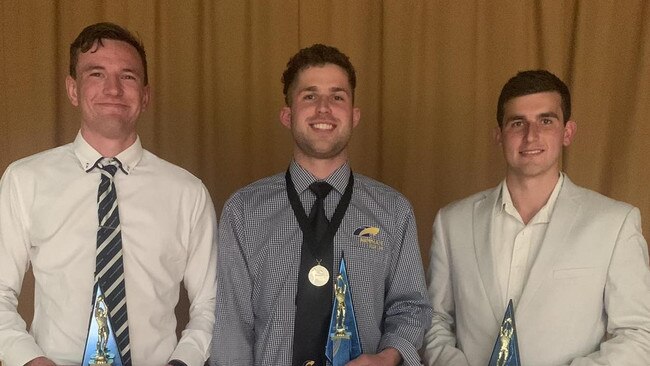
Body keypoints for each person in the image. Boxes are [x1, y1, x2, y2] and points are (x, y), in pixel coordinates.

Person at [0, 22, 217, 366]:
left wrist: (184, 361)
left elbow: (212, 302)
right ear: (73, 90)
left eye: (128, 76)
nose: (113, 89)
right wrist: (29, 360)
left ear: (145, 95)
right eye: (96, 74)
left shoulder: (187, 193)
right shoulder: (24, 180)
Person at [212, 44, 431, 366]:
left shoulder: (393, 211)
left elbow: (411, 306)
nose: (324, 109)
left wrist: (387, 357)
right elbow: (232, 323)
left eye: (337, 96)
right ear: (288, 115)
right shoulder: (244, 211)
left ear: (354, 116)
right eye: (309, 96)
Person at [423, 70, 650, 365]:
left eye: (546, 121)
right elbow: (434, 320)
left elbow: (638, 334)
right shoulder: (452, 222)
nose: (531, 135)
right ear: (499, 135)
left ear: (567, 132)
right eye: (518, 123)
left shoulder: (614, 223)